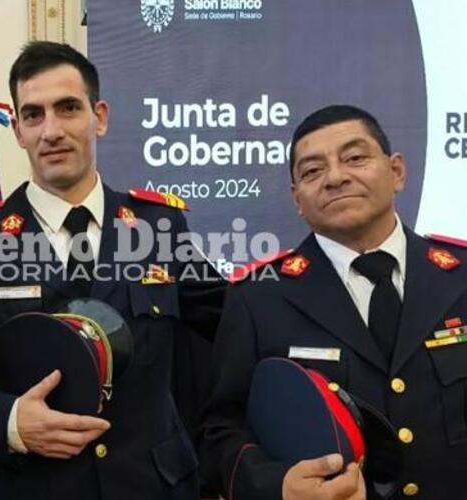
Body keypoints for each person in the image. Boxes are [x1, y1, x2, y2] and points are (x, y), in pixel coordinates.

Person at [0, 41, 225, 500]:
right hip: (32, 487)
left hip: (154, 487)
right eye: (33, 115)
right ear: (16, 129)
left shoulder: (160, 226)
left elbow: (232, 325)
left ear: (100, 116)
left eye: (68, 108)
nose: (51, 130)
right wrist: (10, 421)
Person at [199, 104, 467, 499]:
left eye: (355, 158)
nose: (336, 178)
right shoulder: (259, 297)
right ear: (296, 198)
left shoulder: (459, 276)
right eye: (312, 171)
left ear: (396, 171)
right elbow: (220, 430)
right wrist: (277, 486)